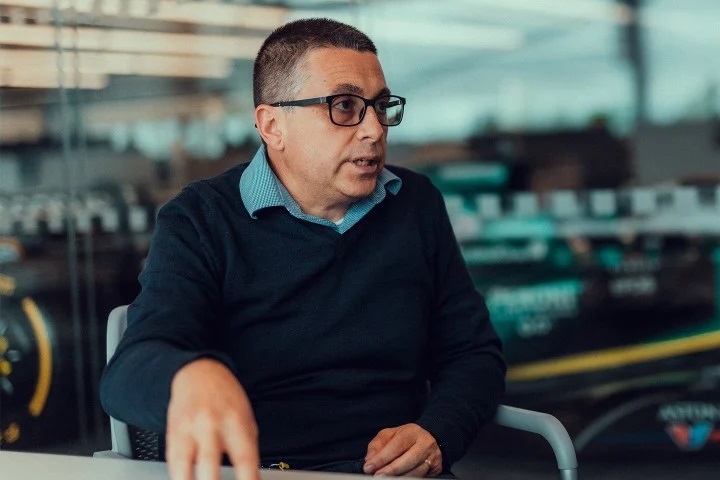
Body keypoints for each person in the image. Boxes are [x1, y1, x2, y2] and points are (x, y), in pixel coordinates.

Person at [100, 17, 505, 480]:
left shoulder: (415, 204)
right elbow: (128, 373)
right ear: (273, 126)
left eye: (380, 106)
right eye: (345, 106)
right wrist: (188, 374)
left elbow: (474, 353)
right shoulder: (201, 219)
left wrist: (438, 432)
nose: (374, 130)